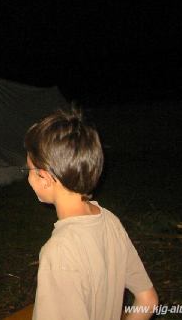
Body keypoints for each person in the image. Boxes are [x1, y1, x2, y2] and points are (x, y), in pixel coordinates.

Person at [23, 108, 158, 320]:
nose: (28, 178)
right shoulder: (110, 221)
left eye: (28, 170)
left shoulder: (59, 252)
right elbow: (147, 300)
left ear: (45, 178)